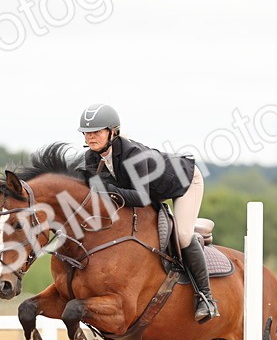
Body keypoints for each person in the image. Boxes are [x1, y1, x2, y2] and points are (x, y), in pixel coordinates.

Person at [77, 103, 219, 322]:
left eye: (96, 132)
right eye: (87, 133)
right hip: (152, 190)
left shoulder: (133, 155)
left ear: (112, 132)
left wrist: (105, 189)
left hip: (184, 182)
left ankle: (206, 298)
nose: (90, 137)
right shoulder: (91, 159)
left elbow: (140, 198)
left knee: (182, 235)